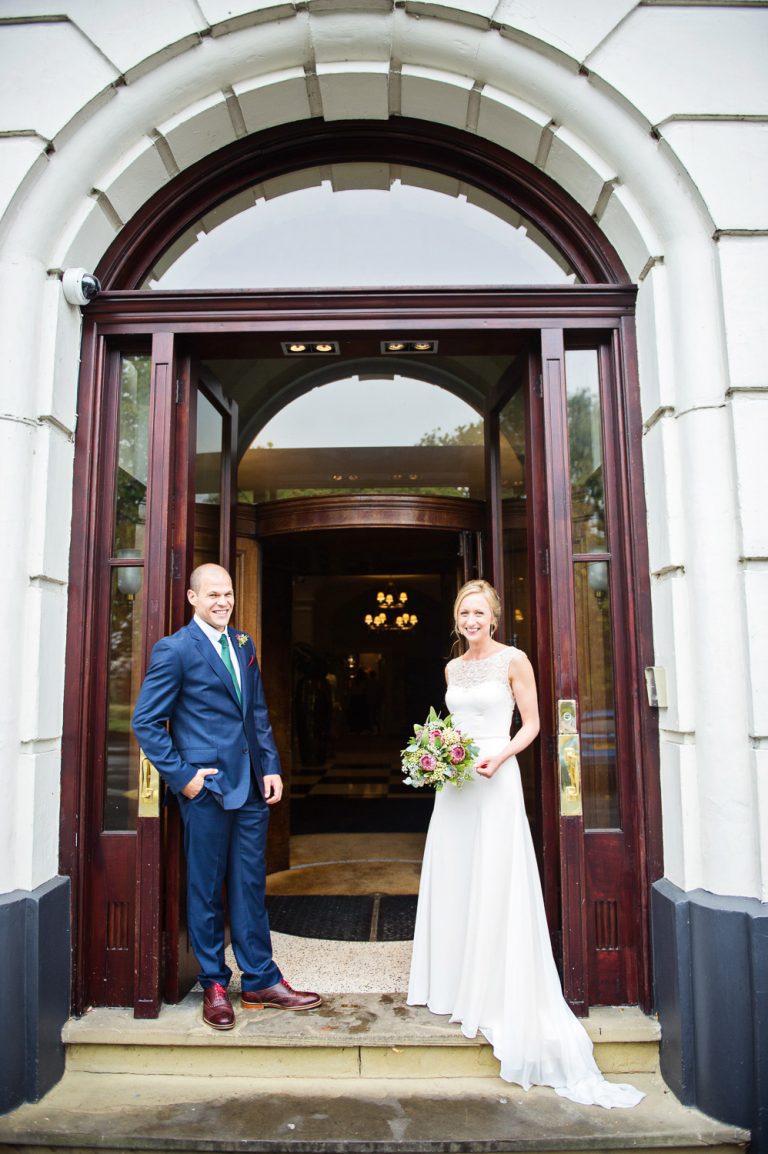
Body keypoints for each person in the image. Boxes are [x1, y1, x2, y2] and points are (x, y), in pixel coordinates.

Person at [407, 580, 644, 1108]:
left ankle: (492, 988)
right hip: (456, 785)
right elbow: (453, 724)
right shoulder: (452, 668)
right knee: (456, 876)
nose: (471, 621)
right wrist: (437, 752)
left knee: (494, 876)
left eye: (479, 612)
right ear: (456, 618)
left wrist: (502, 755)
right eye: (463, 612)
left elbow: (535, 724)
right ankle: (452, 982)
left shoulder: (514, 660)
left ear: (493, 616)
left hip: (495, 777)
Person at [132, 563, 321, 1029]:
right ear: (193, 599)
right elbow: (146, 722)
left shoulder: (243, 643)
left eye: (229, 594)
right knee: (205, 889)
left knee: (250, 886)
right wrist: (185, 778)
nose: (223, 602)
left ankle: (260, 978)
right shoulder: (174, 650)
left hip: (252, 788)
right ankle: (214, 984)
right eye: (213, 595)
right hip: (207, 790)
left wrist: (271, 766)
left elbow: (256, 711)